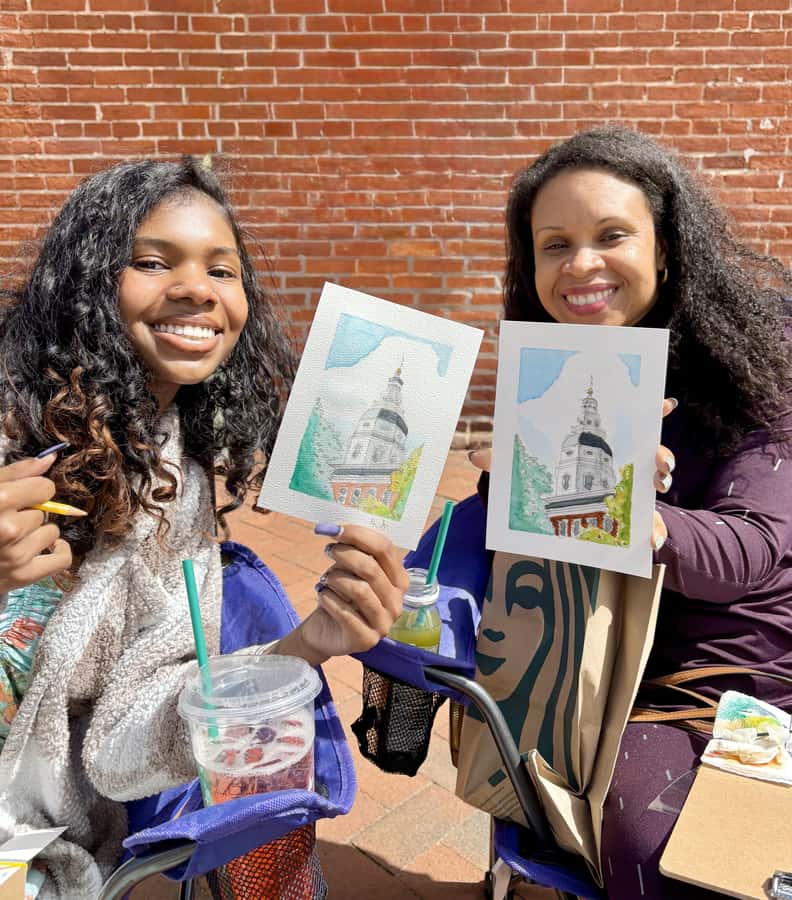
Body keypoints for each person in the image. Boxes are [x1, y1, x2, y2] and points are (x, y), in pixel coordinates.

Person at [0, 157, 407, 899]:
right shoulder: (9, 434)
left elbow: (121, 740)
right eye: (154, 261)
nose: (197, 288)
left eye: (223, 270)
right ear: (89, 280)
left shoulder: (177, 483)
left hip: (45, 840)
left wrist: (309, 644)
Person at [470, 126, 791, 899]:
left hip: (738, 674)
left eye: (611, 235)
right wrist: (507, 492)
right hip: (604, 679)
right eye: (555, 245)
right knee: (647, 840)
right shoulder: (553, 373)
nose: (581, 265)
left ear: (667, 247)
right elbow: (518, 539)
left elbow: (752, 549)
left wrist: (638, 518)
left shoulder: (754, 355)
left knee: (710, 852)